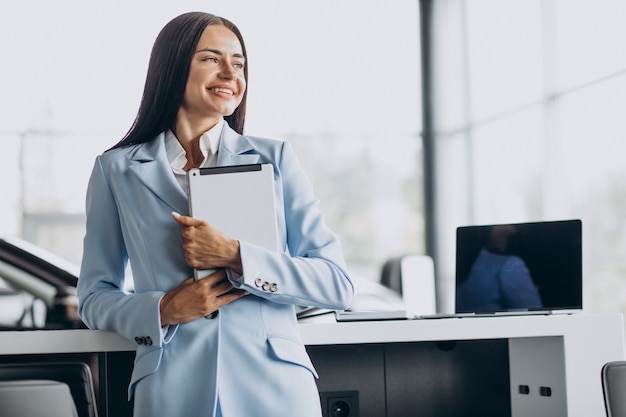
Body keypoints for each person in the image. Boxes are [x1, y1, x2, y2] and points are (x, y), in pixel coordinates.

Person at [77, 12, 354, 417]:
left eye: (238, 63)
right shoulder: (116, 170)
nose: (230, 73)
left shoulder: (274, 159)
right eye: (211, 59)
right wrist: (161, 310)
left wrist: (236, 254)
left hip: (274, 389)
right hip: (171, 389)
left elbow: (336, 284)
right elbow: (94, 296)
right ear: (173, 68)